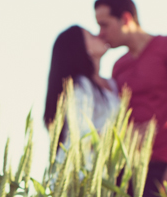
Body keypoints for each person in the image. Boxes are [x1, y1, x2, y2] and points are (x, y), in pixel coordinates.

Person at [94, 0, 167, 197]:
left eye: (104, 25)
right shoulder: (119, 66)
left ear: (125, 19)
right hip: (125, 167)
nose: (101, 33)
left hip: (162, 165)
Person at [43, 25, 121, 161]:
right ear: (82, 47)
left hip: (102, 171)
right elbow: (81, 135)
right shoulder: (80, 86)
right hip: (79, 172)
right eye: (91, 35)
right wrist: (125, 138)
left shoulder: (113, 84)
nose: (99, 35)